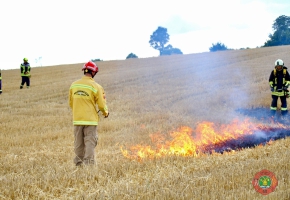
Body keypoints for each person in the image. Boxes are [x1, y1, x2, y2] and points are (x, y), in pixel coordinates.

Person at [69, 61, 109, 166]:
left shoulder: (74, 85)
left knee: (78, 143)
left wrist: (78, 111)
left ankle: (78, 164)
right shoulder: (96, 86)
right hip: (90, 120)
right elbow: (101, 104)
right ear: (94, 72)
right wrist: (105, 113)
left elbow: (71, 103)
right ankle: (88, 164)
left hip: (77, 119)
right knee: (90, 142)